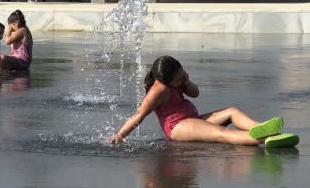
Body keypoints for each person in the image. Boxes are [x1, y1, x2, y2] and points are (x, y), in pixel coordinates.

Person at [108, 55, 298, 147]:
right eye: (178, 80)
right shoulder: (158, 92)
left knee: (232, 111)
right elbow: (138, 116)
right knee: (221, 133)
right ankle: (265, 139)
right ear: (165, 81)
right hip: (179, 127)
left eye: (182, 75)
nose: (181, 80)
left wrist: (186, 82)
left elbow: (195, 94)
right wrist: (121, 134)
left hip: (194, 119)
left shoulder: (179, 77)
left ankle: (261, 128)